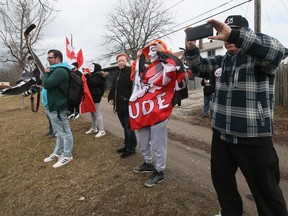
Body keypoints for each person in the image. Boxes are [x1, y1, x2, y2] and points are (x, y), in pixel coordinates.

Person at [184, 15, 288, 216]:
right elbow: (198, 68)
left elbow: (277, 50)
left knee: (267, 194)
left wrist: (235, 35)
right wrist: (191, 49)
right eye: (225, 34)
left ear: (245, 34)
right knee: (223, 185)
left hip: (253, 137)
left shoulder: (260, 59)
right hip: (221, 135)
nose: (228, 39)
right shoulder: (222, 61)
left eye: (232, 33)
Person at [130, 40, 187, 187]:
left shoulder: (166, 66)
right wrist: (138, 60)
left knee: (158, 144)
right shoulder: (147, 68)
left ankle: (160, 170)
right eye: (149, 51)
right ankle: (148, 162)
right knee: (143, 141)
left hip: (159, 111)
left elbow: (175, 68)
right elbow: (135, 79)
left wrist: (164, 52)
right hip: (144, 111)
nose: (150, 53)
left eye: (154, 50)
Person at [42, 49, 74, 168]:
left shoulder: (60, 70)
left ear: (57, 58)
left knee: (65, 132)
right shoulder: (55, 70)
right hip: (53, 106)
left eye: (50, 58)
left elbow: (47, 84)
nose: (48, 60)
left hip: (58, 106)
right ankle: (58, 152)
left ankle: (67, 155)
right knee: (59, 132)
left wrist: (45, 74)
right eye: (48, 58)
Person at [108, 53, 137, 158]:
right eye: (119, 61)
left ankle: (131, 148)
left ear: (127, 61)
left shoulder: (130, 72)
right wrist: (110, 97)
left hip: (127, 105)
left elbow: (134, 86)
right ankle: (127, 146)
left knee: (129, 127)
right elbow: (113, 88)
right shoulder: (117, 73)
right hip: (119, 106)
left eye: (123, 60)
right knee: (125, 127)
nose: (121, 62)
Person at [84, 63, 107, 138]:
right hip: (92, 96)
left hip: (96, 96)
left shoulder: (99, 76)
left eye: (92, 66)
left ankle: (102, 130)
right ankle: (94, 128)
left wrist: (87, 76)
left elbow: (93, 83)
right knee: (92, 112)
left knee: (97, 112)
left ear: (96, 68)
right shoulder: (93, 75)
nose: (91, 68)